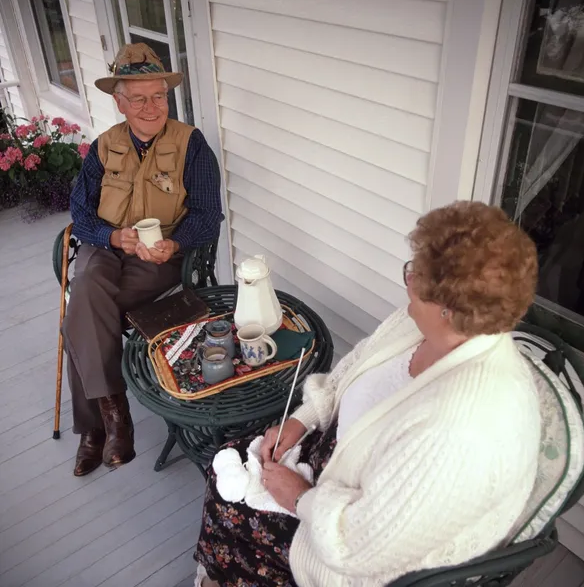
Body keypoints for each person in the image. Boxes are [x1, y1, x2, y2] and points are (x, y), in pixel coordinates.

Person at [194, 201, 541, 587]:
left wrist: (298, 497)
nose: (407, 280)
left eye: (415, 274)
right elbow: (351, 371)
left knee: (230, 503)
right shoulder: (419, 326)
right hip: (332, 460)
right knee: (230, 460)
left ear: (447, 308)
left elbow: (359, 546)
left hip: (347, 543)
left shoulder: (458, 429)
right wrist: (302, 420)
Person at [62, 43, 223, 477]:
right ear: (120, 101)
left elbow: (209, 216)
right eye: (139, 98)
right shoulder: (103, 146)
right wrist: (110, 235)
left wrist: (175, 244)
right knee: (90, 286)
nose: (151, 107)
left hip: (158, 258)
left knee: (83, 312)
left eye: (159, 96)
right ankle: (116, 420)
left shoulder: (191, 145)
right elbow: (80, 213)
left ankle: (96, 428)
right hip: (107, 246)